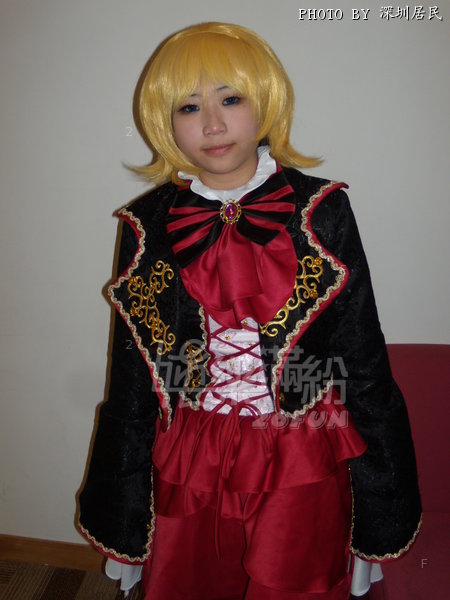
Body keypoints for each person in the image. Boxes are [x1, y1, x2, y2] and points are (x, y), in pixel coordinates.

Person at [78, 22, 421, 600]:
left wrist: (382, 501)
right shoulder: (148, 224)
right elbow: (134, 375)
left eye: (230, 99)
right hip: (192, 451)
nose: (212, 124)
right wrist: (124, 505)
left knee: (292, 582)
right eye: (189, 107)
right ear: (166, 122)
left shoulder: (321, 211)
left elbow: (361, 355)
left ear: (265, 102)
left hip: (301, 447)